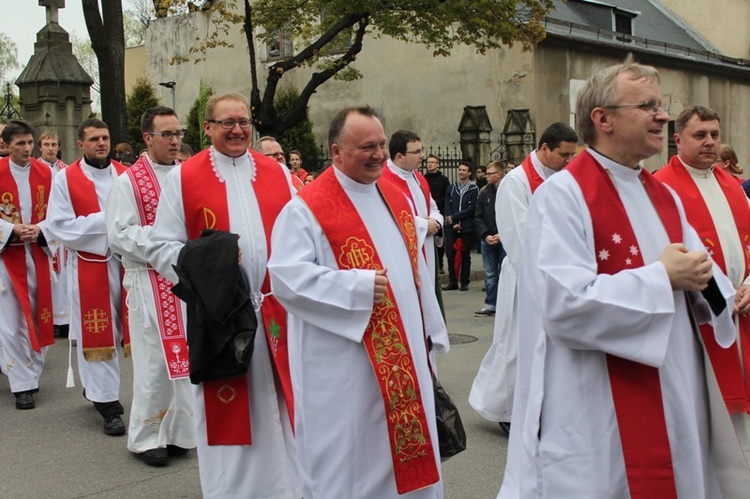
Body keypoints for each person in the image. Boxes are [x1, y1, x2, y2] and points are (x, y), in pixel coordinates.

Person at [499, 58, 750, 498]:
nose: (662, 115)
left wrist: (705, 282)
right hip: (598, 399)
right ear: (603, 119)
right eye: (648, 105)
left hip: (675, 386)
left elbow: (705, 285)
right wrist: (661, 278)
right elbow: (563, 306)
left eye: (662, 104)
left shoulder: (664, 197)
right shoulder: (563, 195)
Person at [268, 105, 447, 498]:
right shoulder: (305, 209)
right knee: (353, 458)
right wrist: (355, 288)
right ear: (336, 152)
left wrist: (431, 330)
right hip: (344, 364)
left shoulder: (395, 196)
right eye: (367, 147)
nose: (380, 154)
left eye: (382, 144)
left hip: (405, 354)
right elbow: (285, 277)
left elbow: (414, 272)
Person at [144, 92, 301, 498]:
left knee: (284, 408)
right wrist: (210, 260)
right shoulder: (184, 177)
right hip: (221, 316)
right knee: (232, 413)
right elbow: (161, 246)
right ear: (208, 128)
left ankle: (290, 489)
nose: (237, 130)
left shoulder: (277, 173)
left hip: (276, 313)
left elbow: (304, 234)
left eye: (244, 122)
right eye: (227, 122)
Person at [655, 105, 750, 461]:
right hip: (697, 313)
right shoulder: (661, 187)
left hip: (741, 310)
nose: (710, 142)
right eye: (700, 135)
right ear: (677, 139)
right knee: (704, 412)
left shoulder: (733, 185)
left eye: (714, 134)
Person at [469, 122, 577, 434]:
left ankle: (544, 407)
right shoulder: (516, 182)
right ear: (544, 149)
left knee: (549, 347)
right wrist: (543, 274)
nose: (569, 160)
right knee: (516, 344)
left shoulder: (561, 177)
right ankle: (506, 409)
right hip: (524, 276)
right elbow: (517, 235)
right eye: (564, 154)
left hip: (557, 274)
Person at [105, 106, 196, 467]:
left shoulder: (188, 175)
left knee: (184, 359)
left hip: (184, 282)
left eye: (178, 134)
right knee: (154, 363)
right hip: (148, 281)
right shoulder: (128, 181)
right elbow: (119, 234)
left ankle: (179, 432)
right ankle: (146, 438)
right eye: (167, 135)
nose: (175, 141)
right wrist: (165, 245)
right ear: (147, 138)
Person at [46, 118, 129, 436]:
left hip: (126, 262)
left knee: (124, 331)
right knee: (100, 333)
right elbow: (60, 225)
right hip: (89, 264)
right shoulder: (65, 180)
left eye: (105, 137)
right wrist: (108, 220)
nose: (101, 143)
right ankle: (108, 404)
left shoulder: (126, 174)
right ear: (80, 144)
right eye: (94, 139)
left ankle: (96, 388)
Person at [0, 120, 54, 410]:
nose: (27, 148)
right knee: (11, 322)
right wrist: (10, 231)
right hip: (7, 257)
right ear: (6, 145)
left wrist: (41, 228)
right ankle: (23, 385)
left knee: (39, 313)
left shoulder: (46, 173)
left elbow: (59, 213)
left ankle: (31, 370)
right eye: (20, 143)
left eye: (30, 142)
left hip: (37, 252)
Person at [382, 129, 443, 281]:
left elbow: (432, 207)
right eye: (416, 152)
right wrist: (423, 225)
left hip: (426, 247)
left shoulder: (419, 178)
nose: (422, 155)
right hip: (402, 254)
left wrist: (436, 222)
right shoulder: (382, 180)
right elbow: (385, 217)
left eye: (421, 150)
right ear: (399, 157)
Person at [37, 131, 70, 338]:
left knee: (64, 276)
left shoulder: (66, 171)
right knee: (45, 274)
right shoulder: (34, 169)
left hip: (61, 228)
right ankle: (46, 320)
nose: (50, 148)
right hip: (41, 226)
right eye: (46, 144)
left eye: (54, 144)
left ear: (59, 147)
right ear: (39, 147)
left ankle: (64, 320)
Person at [472, 161, 506, 317]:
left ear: (498, 174)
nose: (486, 176)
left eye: (490, 173)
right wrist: (486, 235)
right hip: (488, 239)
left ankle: (506, 304)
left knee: (506, 273)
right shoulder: (484, 192)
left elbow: (512, 215)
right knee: (490, 274)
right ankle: (491, 304)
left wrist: (503, 233)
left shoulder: (508, 190)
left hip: (505, 239)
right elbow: (478, 216)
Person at [443, 159, 478, 291]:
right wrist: (450, 218)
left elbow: (471, 208)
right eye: (460, 169)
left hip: (466, 226)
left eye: (464, 170)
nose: (461, 172)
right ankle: (452, 280)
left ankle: (464, 281)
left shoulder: (473, 189)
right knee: (450, 254)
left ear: (469, 173)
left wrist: (456, 217)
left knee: (465, 255)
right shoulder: (452, 188)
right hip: (451, 225)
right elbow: (448, 204)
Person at [424, 154, 450, 274]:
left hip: (439, 212)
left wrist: (436, 203)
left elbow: (447, 196)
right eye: (428, 162)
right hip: (426, 213)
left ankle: (440, 264)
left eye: (433, 162)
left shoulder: (444, 180)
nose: (430, 164)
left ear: (438, 164)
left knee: (439, 240)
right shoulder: (423, 178)